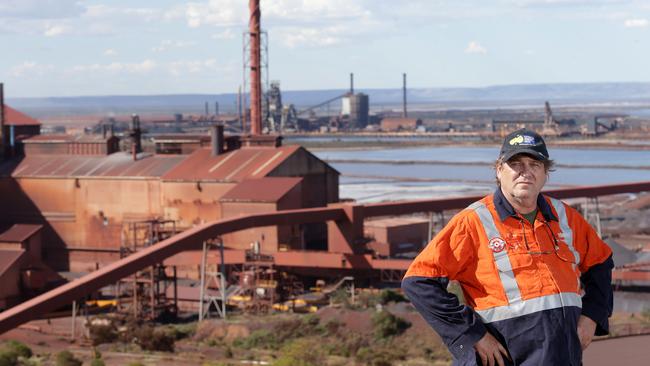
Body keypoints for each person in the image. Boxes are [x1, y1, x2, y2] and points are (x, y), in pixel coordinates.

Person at [402, 129, 613, 366]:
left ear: (545, 173)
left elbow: (601, 263)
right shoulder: (473, 222)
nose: (526, 172)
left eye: (535, 164)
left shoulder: (565, 217)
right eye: (516, 164)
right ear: (499, 170)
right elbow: (419, 282)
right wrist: (473, 335)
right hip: (506, 359)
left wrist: (593, 315)